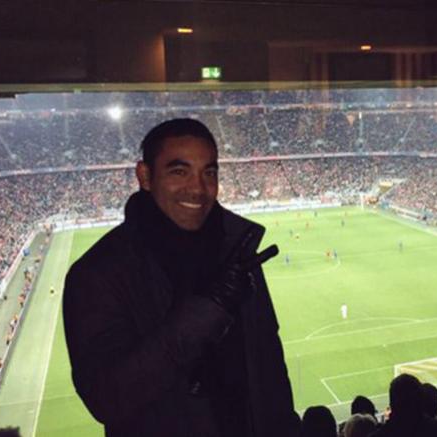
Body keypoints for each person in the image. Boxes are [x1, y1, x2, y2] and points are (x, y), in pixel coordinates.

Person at [63, 119, 299, 437]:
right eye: (179, 171)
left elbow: (269, 363)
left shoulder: (238, 252)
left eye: (209, 173)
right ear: (144, 176)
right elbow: (106, 398)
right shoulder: (96, 274)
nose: (198, 188)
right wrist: (208, 311)